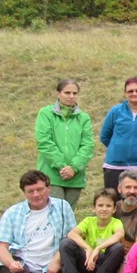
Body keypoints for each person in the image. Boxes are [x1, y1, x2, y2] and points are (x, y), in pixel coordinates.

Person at [56, 188, 125, 273]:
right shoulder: (89, 221)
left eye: (108, 206)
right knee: (66, 243)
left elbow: (120, 234)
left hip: (105, 265)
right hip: (88, 262)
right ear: (94, 208)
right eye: (100, 205)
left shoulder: (116, 222)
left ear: (114, 209)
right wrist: (87, 248)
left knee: (118, 247)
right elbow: (72, 233)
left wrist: (98, 248)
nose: (104, 209)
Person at [35, 79, 94, 210]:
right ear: (58, 94)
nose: (71, 96)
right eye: (67, 93)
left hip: (75, 177)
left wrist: (74, 168)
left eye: (75, 93)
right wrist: (62, 166)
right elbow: (44, 142)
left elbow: (87, 146)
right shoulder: (45, 113)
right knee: (54, 213)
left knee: (68, 214)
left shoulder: (84, 118)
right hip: (51, 175)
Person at [113, 169, 137, 248]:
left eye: (136, 188)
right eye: (128, 187)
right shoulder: (110, 209)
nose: (132, 191)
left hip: (135, 253)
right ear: (119, 189)